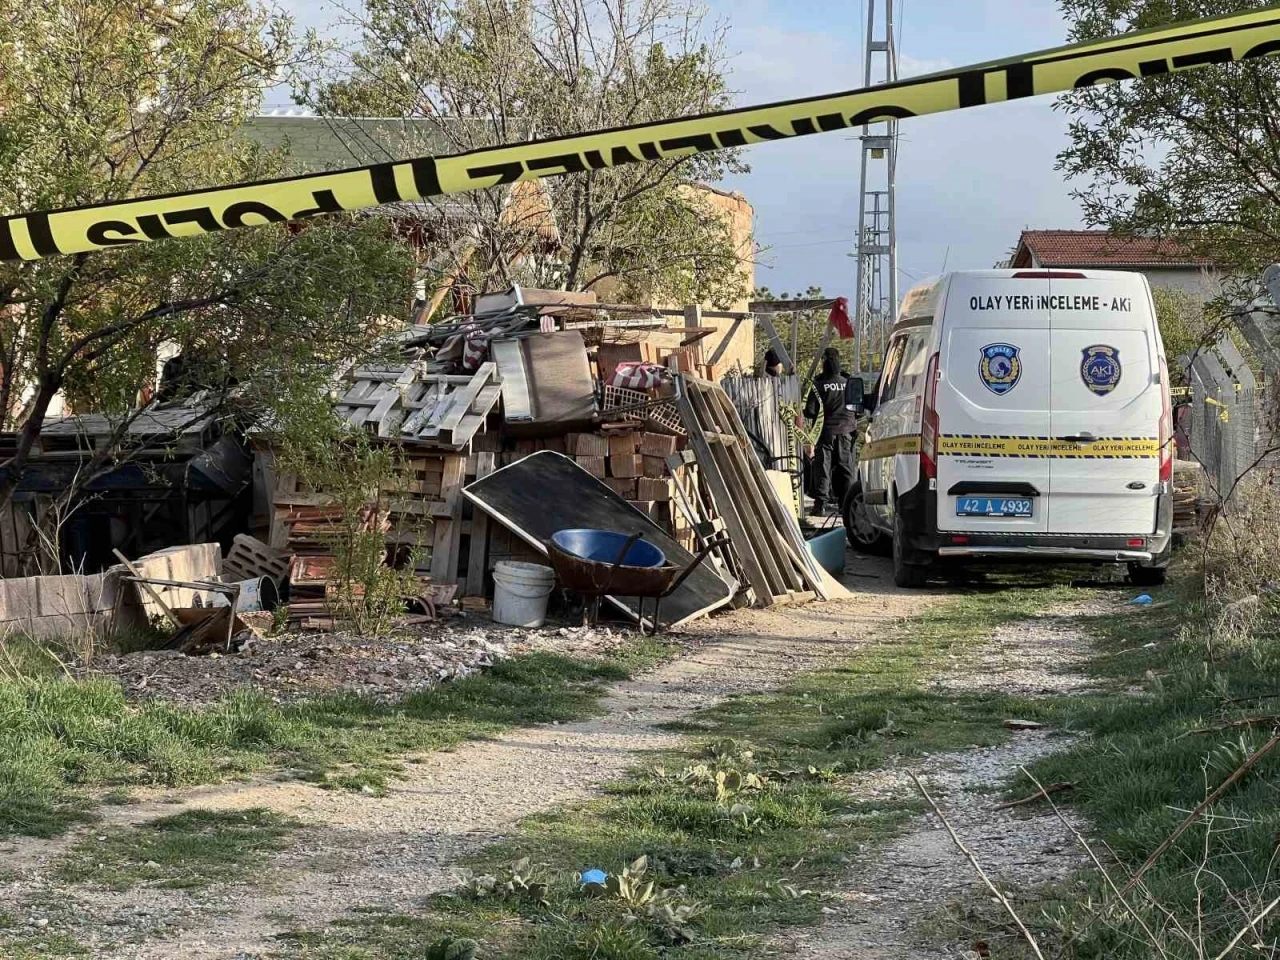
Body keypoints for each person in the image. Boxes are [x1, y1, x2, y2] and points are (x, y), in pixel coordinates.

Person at [804, 347, 856, 515]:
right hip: (846, 431)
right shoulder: (848, 383)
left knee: (823, 469)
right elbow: (858, 409)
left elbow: (810, 411)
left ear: (824, 362)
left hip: (825, 432)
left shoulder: (819, 385)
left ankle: (820, 506)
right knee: (846, 469)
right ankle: (846, 505)